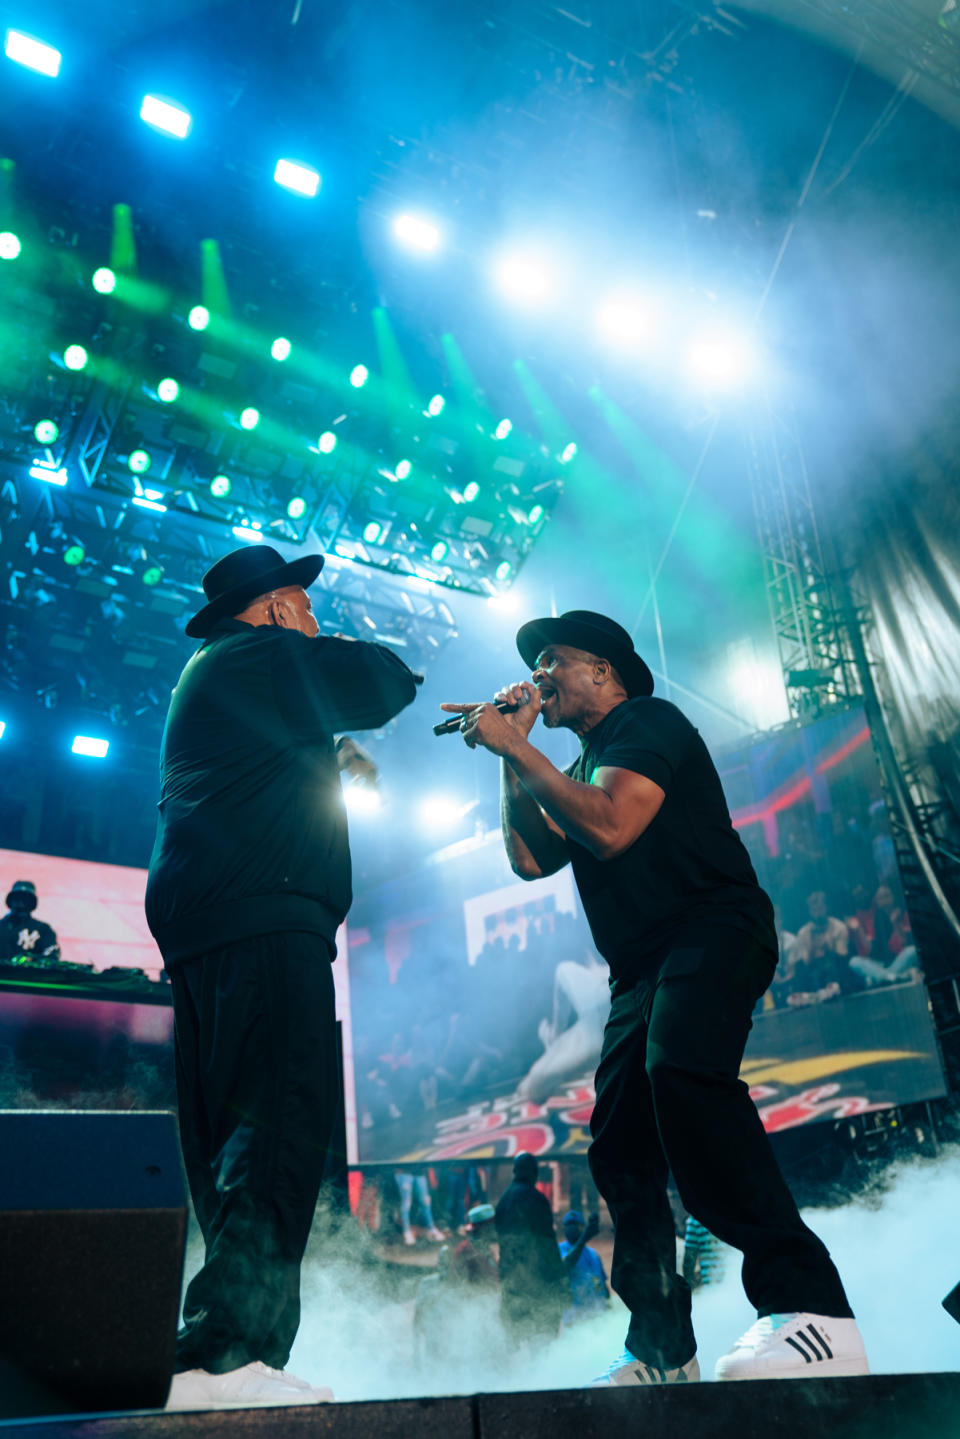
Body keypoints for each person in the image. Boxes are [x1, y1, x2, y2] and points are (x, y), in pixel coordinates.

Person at [441, 609, 867, 1386]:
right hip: (640, 966)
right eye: (534, 664)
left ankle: (813, 1311)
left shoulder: (647, 722)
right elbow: (530, 859)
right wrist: (510, 755)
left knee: (683, 1074)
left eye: (553, 661)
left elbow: (609, 828)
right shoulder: (578, 758)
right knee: (618, 1141)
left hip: (714, 927)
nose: (539, 674)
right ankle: (663, 1349)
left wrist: (520, 746)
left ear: (603, 670)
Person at [145, 544, 420, 1409]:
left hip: (211, 938)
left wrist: (321, 752)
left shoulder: (216, 674)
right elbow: (385, 679)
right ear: (270, 611)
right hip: (267, 928)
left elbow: (257, 765)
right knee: (275, 1137)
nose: (311, 616)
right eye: (301, 605)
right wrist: (322, 677)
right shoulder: (258, 653)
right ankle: (229, 1352)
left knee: (231, 1156)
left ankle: (228, 1354)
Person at [494, 1152, 568, 1345]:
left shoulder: (503, 1202)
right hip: (538, 1282)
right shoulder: (537, 1200)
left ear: (515, 1172)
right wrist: (561, 1280)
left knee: (518, 1342)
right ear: (534, 1172)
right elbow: (548, 1244)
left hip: (512, 1283)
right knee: (542, 1341)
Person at [558, 1210, 608, 1326]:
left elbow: (601, 1283)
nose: (572, 1228)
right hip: (574, 1318)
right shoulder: (559, 1249)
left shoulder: (593, 1254)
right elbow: (566, 1264)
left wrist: (607, 1305)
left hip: (598, 1316)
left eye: (576, 1224)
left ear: (583, 1227)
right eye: (569, 1225)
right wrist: (585, 1237)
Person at [0, 880, 61, 964]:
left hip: (30, 976)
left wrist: (32, 960)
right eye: (17, 898)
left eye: (25, 899)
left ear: (32, 903)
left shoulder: (43, 930)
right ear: (10, 901)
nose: (20, 904)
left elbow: (52, 955)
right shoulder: (1, 927)